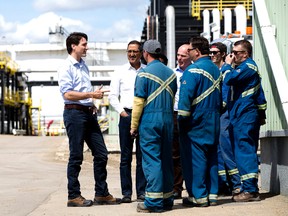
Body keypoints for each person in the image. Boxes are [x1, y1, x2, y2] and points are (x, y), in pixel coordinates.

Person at [58, 32, 121, 207]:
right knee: (76, 156)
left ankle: (101, 193)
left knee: (101, 153)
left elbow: (81, 91)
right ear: (73, 46)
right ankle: (73, 196)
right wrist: (91, 94)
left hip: (87, 113)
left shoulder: (83, 65)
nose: (87, 47)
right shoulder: (66, 67)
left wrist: (90, 102)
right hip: (74, 114)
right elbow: (68, 93)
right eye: (84, 44)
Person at [130, 39, 177, 213]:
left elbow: (138, 103)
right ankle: (167, 198)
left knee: (152, 161)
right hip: (168, 120)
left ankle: (154, 202)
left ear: (145, 53)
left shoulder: (143, 74)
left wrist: (134, 125)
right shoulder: (171, 74)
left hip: (150, 120)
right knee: (166, 160)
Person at [178, 36, 222, 207]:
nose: (188, 53)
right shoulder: (216, 69)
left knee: (196, 158)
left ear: (196, 51)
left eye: (189, 50)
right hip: (214, 118)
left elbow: (185, 100)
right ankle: (212, 195)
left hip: (197, 121)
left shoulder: (192, 70)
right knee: (212, 157)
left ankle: (198, 196)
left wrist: (182, 121)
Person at [221, 39, 266, 202]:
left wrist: (226, 65)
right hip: (242, 115)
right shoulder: (243, 68)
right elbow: (260, 95)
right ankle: (248, 187)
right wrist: (262, 114)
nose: (232, 56)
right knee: (243, 151)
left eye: (235, 53)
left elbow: (229, 79)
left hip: (244, 115)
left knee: (244, 150)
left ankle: (250, 190)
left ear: (245, 54)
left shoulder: (248, 67)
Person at [108, 40, 146, 203]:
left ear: (141, 53)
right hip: (126, 115)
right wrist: (123, 113)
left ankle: (142, 191)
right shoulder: (120, 72)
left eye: (135, 51)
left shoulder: (146, 71)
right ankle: (126, 193)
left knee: (142, 156)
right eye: (129, 51)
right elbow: (112, 96)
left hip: (144, 116)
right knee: (125, 157)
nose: (131, 54)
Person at [210, 42, 242, 196]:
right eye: (210, 52)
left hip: (225, 114)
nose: (212, 55)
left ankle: (236, 184)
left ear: (223, 54)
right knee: (217, 151)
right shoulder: (214, 71)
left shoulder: (226, 70)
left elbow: (226, 92)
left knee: (226, 149)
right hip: (215, 115)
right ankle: (223, 185)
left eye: (215, 52)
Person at [172, 43, 192, 199]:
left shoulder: (195, 73)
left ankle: (194, 188)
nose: (179, 58)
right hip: (175, 115)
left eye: (183, 56)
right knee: (175, 154)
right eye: (178, 55)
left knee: (193, 152)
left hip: (192, 115)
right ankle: (176, 188)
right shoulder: (173, 74)